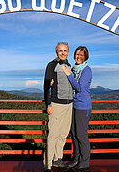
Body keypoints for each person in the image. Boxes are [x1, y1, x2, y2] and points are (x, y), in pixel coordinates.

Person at [43, 42, 74, 172]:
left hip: (69, 104)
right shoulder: (52, 65)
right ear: (56, 52)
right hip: (56, 104)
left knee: (63, 134)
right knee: (53, 134)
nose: (63, 53)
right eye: (60, 50)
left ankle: (57, 159)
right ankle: (48, 165)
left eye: (65, 50)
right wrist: (48, 104)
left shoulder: (68, 65)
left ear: (68, 52)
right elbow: (46, 85)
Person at [60, 46, 92, 172]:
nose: (78, 57)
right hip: (75, 105)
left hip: (83, 106)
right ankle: (77, 159)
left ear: (85, 57)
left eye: (81, 55)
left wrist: (68, 75)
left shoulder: (86, 70)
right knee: (74, 133)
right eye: (77, 54)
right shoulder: (75, 69)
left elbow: (78, 87)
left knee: (81, 135)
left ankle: (84, 163)